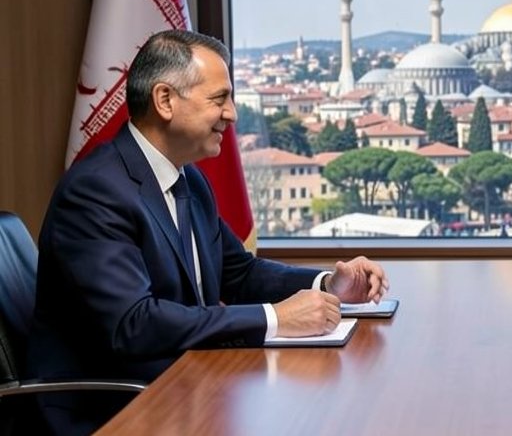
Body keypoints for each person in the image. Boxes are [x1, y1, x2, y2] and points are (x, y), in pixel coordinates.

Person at [27, 29, 389, 435]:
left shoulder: (189, 180)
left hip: (181, 386)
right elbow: (134, 325)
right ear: (165, 100)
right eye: (219, 99)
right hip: (109, 410)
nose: (232, 113)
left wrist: (329, 284)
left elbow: (239, 274)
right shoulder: (96, 191)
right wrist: (276, 318)